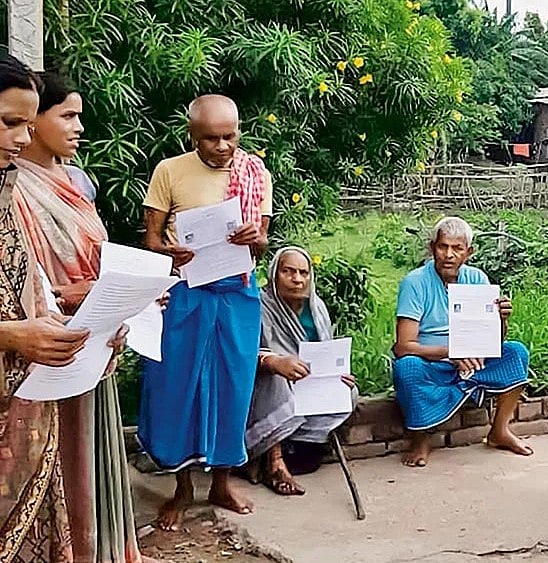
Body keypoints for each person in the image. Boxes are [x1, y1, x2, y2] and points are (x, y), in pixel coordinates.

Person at [11, 71, 145, 562]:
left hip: (95, 333)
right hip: (41, 343)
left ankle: (106, 547)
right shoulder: (15, 188)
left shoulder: (77, 181)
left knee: (94, 446)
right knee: (58, 451)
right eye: (66, 115)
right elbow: (24, 279)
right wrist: (73, 294)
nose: (79, 127)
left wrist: (124, 291)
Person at [140, 94, 272, 530]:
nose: (222, 146)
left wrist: (254, 236)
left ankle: (222, 481)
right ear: (193, 135)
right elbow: (152, 241)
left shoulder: (254, 173)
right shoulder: (169, 171)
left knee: (232, 389)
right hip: (186, 293)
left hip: (237, 293)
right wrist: (170, 252)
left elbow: (263, 242)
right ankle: (182, 489)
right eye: (211, 138)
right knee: (179, 386)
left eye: (229, 136)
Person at [392, 217, 531, 467]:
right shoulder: (415, 283)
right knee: (406, 367)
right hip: (432, 362)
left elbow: (494, 340)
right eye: (443, 247)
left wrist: (501, 319)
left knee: (516, 352)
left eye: (457, 249)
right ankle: (421, 439)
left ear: (469, 252)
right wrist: (451, 353)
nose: (449, 255)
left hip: (473, 360)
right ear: (432, 247)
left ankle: (499, 431)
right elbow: (404, 346)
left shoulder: (477, 278)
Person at [245, 247, 357, 495]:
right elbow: (241, 354)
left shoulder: (316, 308)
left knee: (348, 391)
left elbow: (326, 353)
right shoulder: (257, 306)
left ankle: (295, 444)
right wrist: (274, 362)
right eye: (288, 271)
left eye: (303, 273)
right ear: (274, 275)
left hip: (307, 381)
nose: (297, 279)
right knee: (277, 384)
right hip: (267, 382)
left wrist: (339, 374)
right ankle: (274, 459)